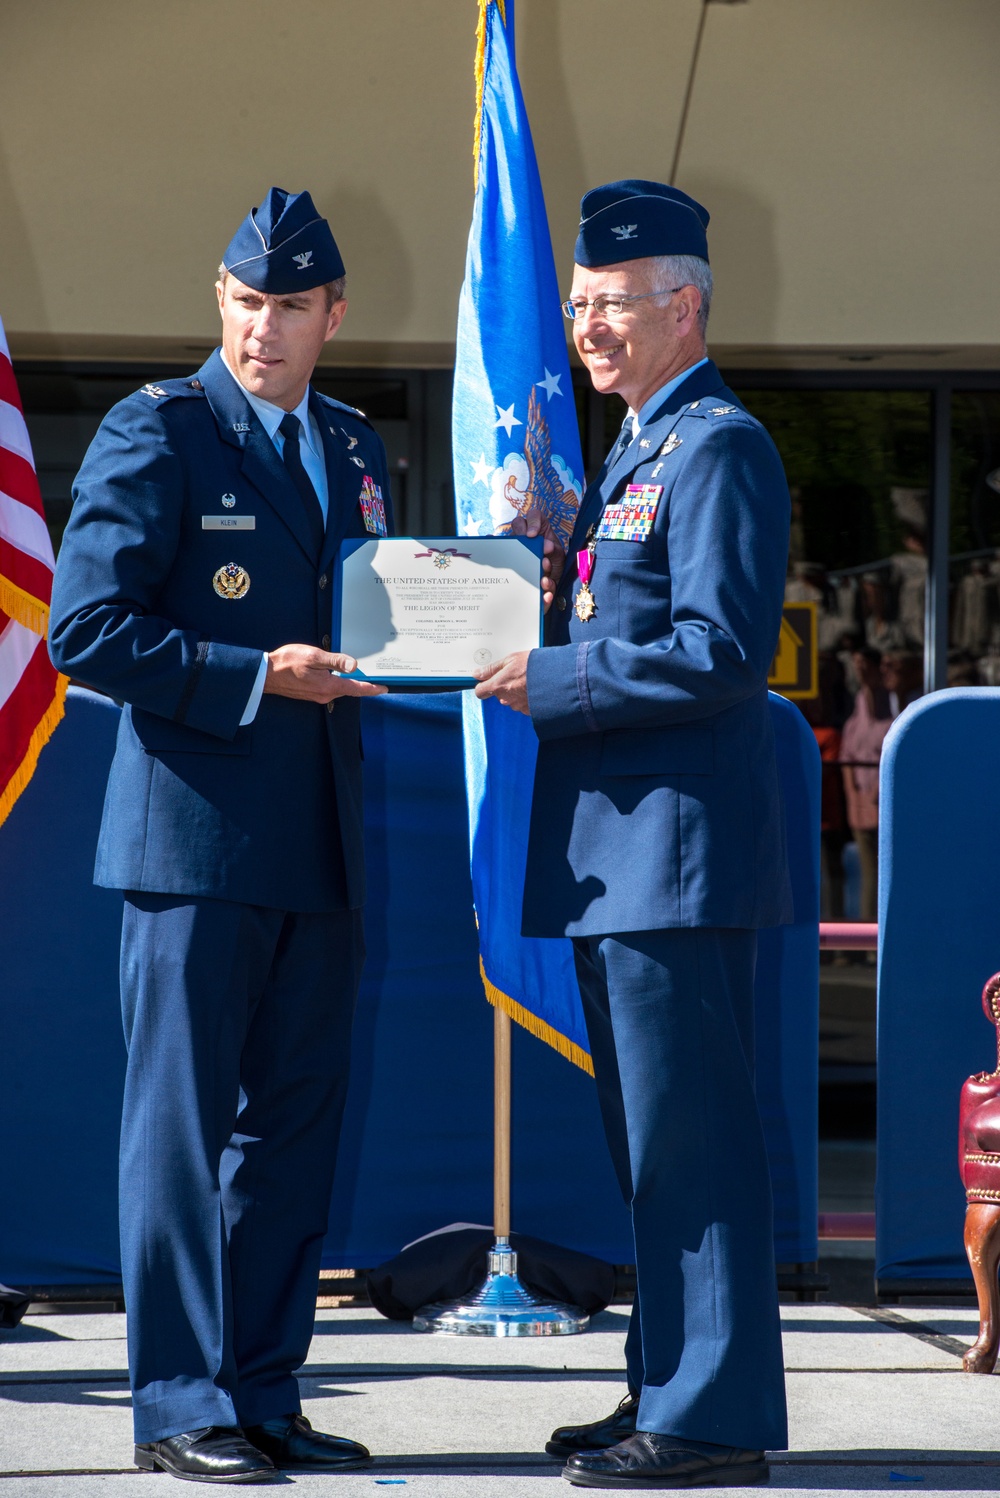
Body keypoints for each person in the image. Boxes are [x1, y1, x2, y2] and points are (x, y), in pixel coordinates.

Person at [49, 187, 392, 1484]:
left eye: (289, 307)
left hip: (319, 845)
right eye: (245, 302)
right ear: (220, 300)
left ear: (333, 317)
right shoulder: (158, 433)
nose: (262, 330)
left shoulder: (351, 448)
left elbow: (383, 605)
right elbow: (85, 626)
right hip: (188, 847)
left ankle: (264, 1388)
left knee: (295, 1132)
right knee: (179, 1135)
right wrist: (257, 674)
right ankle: (179, 1403)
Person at [475, 180, 792, 1489]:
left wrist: (544, 680)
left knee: (693, 1143)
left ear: (687, 304)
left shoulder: (716, 446)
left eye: (612, 304)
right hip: (623, 859)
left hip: (672, 858)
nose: (588, 329)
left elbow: (721, 652)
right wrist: (536, 572)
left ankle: (711, 1418)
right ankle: (666, 1384)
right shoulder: (636, 452)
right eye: (579, 305)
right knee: (653, 1147)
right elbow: (630, 624)